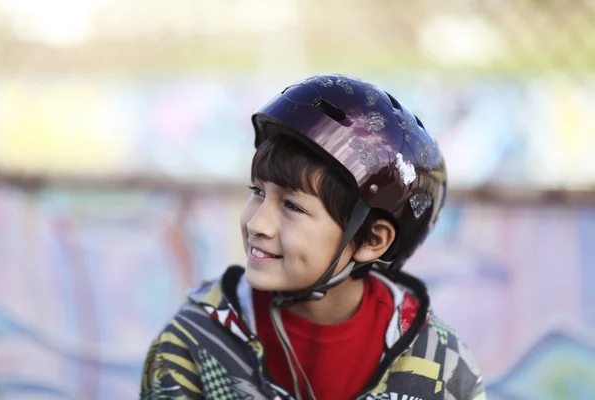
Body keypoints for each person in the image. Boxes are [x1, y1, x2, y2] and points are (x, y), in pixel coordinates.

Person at [140, 74, 486, 400]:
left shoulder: (440, 368)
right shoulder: (194, 346)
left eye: (292, 206)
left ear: (372, 241)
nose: (258, 224)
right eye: (258, 191)